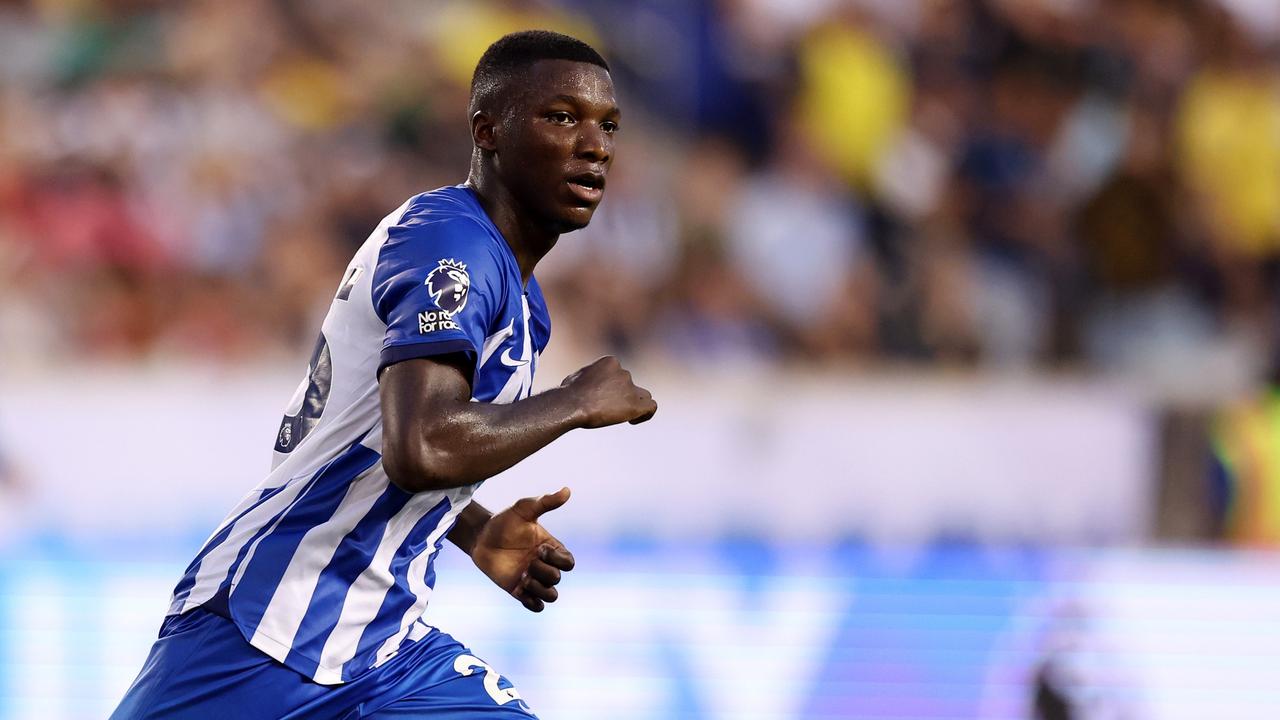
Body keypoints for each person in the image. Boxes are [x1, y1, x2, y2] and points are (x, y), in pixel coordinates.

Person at [112, 30, 655, 719]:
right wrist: (575, 401)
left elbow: (377, 442)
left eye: (608, 126)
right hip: (263, 628)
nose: (594, 145)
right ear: (487, 131)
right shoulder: (448, 242)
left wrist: (472, 527)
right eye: (561, 118)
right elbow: (421, 447)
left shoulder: (519, 299)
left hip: (387, 649)